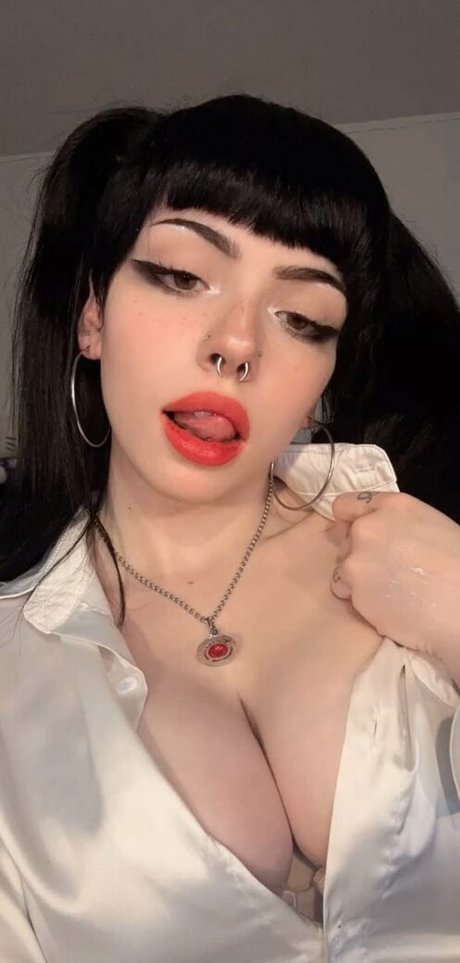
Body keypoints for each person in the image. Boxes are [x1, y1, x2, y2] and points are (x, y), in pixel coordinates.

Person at [0, 94, 459, 963]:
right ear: (93, 315)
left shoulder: (427, 536)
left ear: (324, 380)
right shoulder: (14, 667)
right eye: (182, 275)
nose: (237, 344)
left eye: (303, 318)